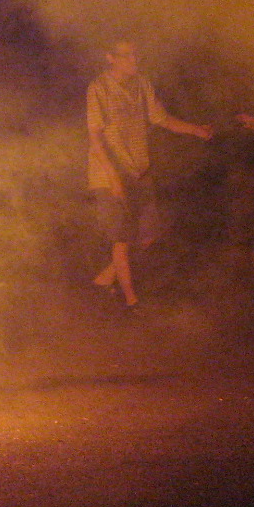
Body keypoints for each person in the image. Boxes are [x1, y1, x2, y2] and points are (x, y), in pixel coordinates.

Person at [88, 40, 214, 307]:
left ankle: (106, 278)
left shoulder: (142, 84)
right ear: (110, 58)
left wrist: (196, 130)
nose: (134, 60)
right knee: (122, 239)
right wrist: (113, 176)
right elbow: (95, 136)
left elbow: (162, 119)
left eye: (136, 55)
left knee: (148, 233)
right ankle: (132, 302)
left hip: (139, 171)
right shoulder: (99, 88)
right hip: (108, 173)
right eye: (127, 56)